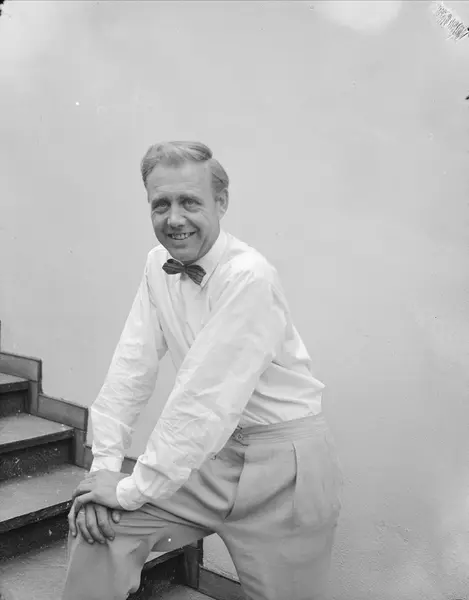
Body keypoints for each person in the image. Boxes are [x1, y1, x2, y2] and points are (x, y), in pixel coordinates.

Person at [62, 141, 343, 600]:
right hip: (210, 454)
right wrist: (104, 471)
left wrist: (131, 489)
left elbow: (203, 398)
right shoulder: (157, 265)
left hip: (283, 468)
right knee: (99, 531)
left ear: (221, 203)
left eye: (190, 202)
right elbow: (130, 367)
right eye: (161, 205)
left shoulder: (249, 276)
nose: (174, 219)